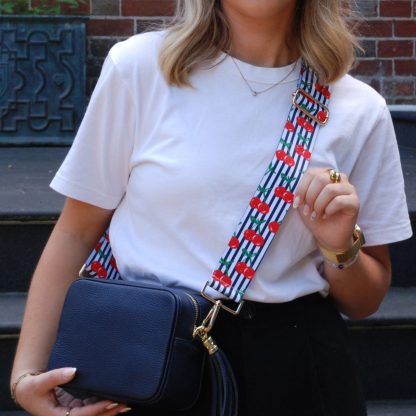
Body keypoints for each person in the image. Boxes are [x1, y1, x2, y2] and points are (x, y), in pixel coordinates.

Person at [10, 0, 412, 415]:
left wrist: (337, 245)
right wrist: (25, 373)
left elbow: (365, 300)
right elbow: (77, 231)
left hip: (297, 372)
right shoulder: (141, 68)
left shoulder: (359, 108)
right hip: (149, 359)